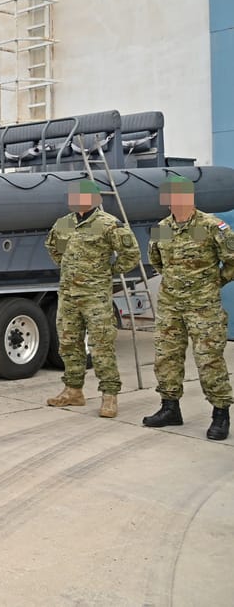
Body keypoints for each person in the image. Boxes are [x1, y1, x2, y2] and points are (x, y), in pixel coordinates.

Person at [141, 174, 234, 440]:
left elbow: (232, 259)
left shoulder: (212, 226)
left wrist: (215, 281)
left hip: (203, 307)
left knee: (209, 359)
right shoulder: (162, 227)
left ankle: (220, 413)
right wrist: (173, 281)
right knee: (166, 357)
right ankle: (170, 408)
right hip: (171, 306)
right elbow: (156, 260)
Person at [44, 180, 140, 417]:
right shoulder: (63, 224)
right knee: (68, 344)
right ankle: (73, 391)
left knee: (101, 346)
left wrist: (109, 271)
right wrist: (70, 269)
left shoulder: (108, 224)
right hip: (68, 295)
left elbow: (131, 254)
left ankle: (109, 396)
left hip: (95, 296)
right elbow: (54, 248)